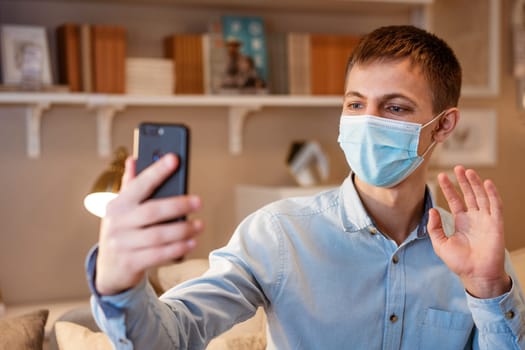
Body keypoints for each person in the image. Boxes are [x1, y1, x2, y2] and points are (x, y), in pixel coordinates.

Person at [86, 25, 525, 349]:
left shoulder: (473, 253)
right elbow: (173, 335)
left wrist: (488, 289)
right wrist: (118, 285)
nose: (366, 121)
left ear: (443, 124)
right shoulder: (278, 234)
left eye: (393, 107)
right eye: (355, 104)